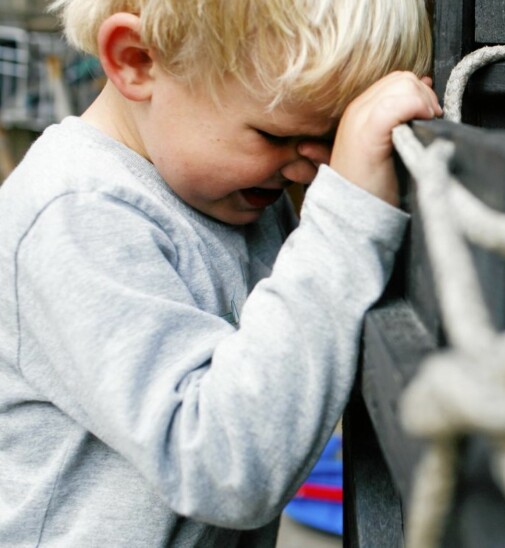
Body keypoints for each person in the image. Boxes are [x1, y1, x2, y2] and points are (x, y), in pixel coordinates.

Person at [0, 0, 440, 545]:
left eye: (332, 138)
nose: (312, 169)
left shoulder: (237, 193)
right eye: (274, 135)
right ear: (137, 61)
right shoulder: (76, 215)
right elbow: (227, 469)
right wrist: (348, 214)